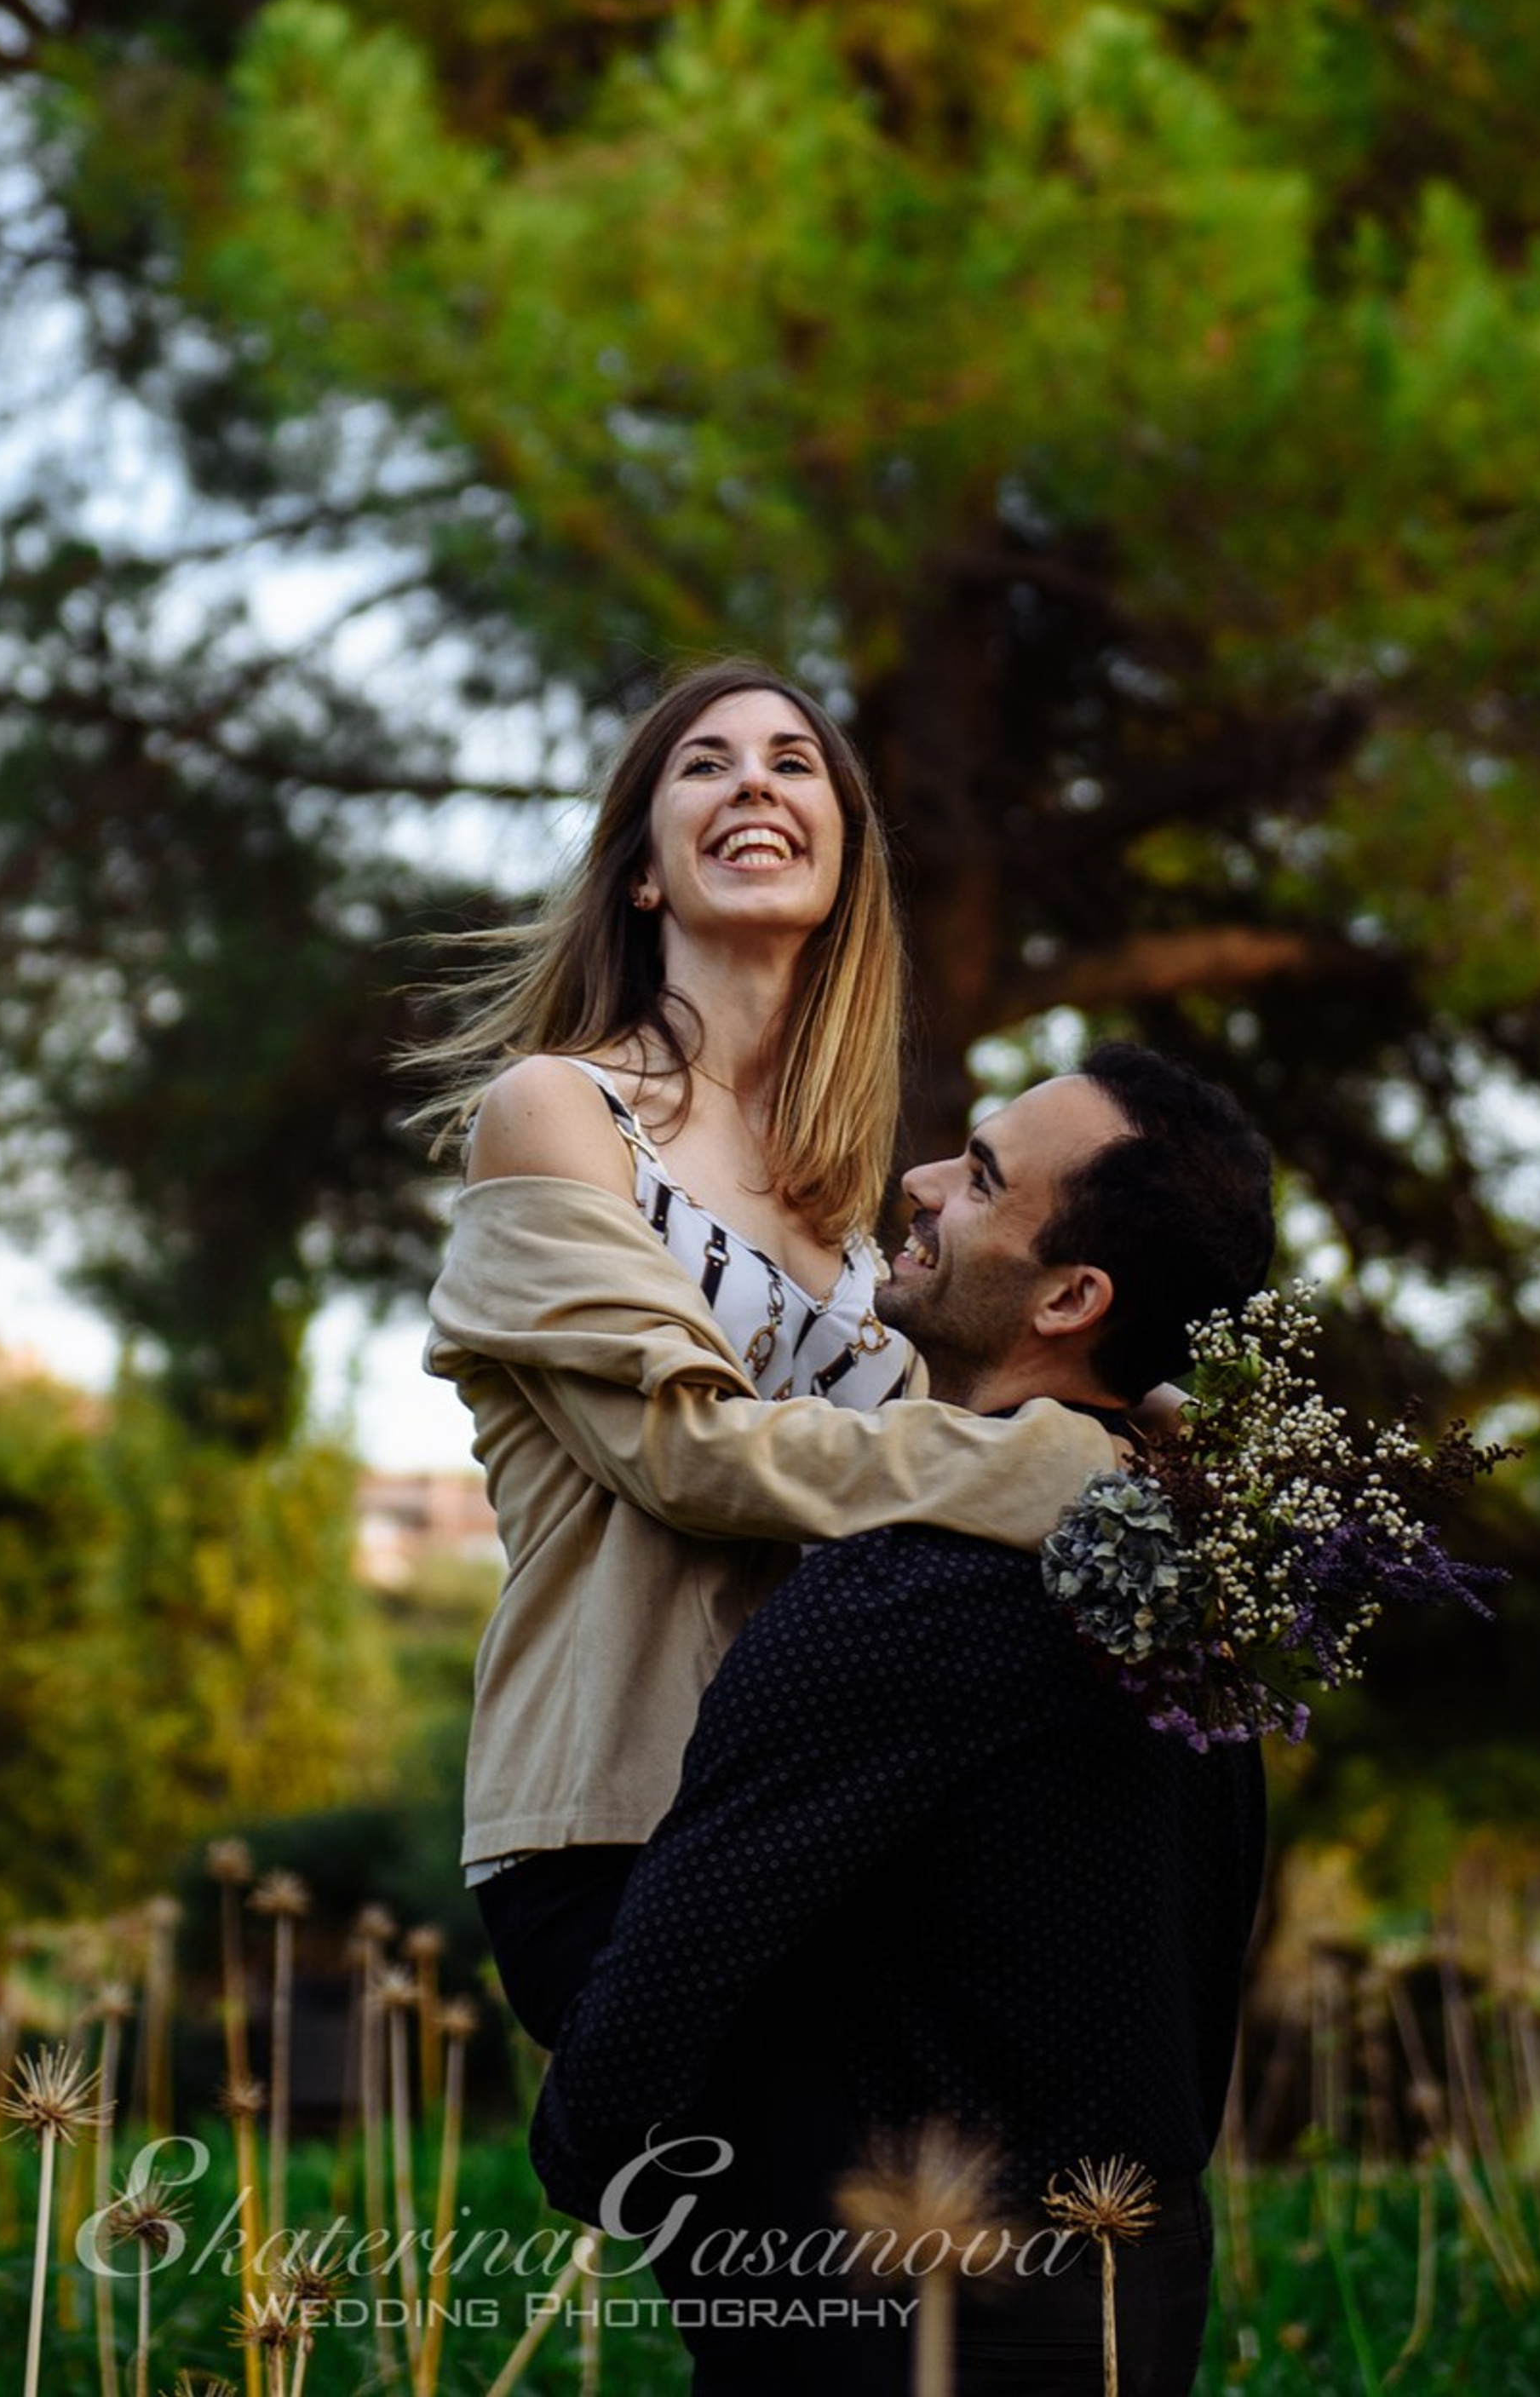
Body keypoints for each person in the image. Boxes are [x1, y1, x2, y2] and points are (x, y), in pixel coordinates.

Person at [527, 1043, 1276, 2397]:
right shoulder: (1196, 1596)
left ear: (1070, 1297)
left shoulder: (912, 1591)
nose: (922, 1183)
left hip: (917, 2314)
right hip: (1141, 2291)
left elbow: (677, 1959)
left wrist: (585, 2151)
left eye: (983, 1180)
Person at [414, 658, 1128, 2052]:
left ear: (845, 858)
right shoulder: (558, 1113)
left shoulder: (843, 1207)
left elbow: (922, 1471)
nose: (755, 780)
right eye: (707, 763)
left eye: (795, 763)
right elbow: (686, 1456)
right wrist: (1049, 1467)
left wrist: (1148, 1419)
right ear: (641, 875)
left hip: (827, 1810)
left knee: (912, 2265)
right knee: (792, 2269)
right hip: (625, 1822)